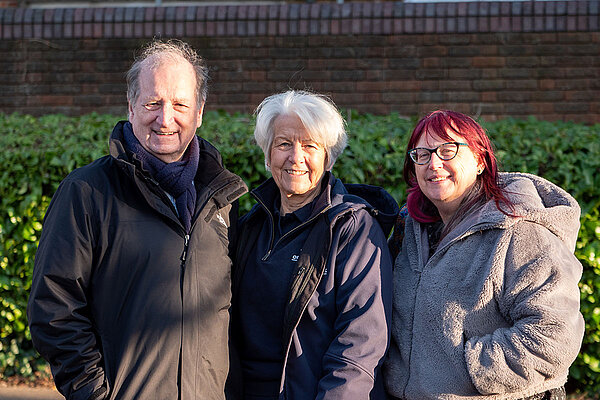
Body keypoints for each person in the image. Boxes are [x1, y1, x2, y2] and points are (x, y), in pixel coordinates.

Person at [27, 39, 247, 400]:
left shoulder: (223, 199)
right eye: (152, 103)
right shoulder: (87, 192)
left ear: (200, 111)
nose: (165, 118)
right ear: (131, 106)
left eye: (180, 104)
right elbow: (54, 308)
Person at [383, 110, 585, 400]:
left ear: (479, 160)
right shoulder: (408, 231)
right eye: (422, 154)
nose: (434, 163)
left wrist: (472, 370)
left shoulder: (518, 229)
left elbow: (554, 334)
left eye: (447, 150)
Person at [230, 90, 398, 399]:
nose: (296, 157)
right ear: (267, 153)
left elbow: (360, 348)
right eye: (284, 144)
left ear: (328, 156)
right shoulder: (250, 225)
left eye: (310, 146)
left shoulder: (352, 229)